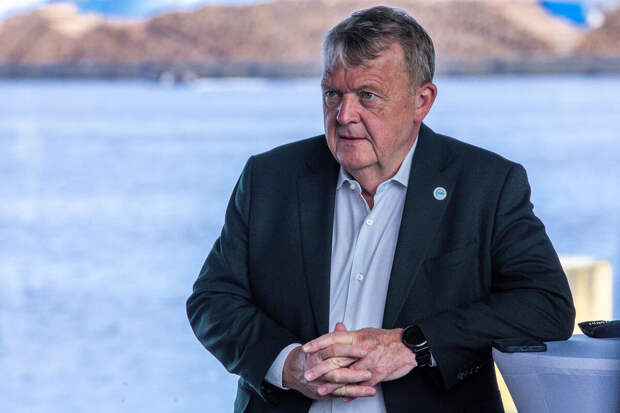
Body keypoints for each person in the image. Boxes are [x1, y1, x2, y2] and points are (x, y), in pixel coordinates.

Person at [187, 6, 575, 413]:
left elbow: (546, 305)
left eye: (367, 96)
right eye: (333, 94)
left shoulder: (486, 185)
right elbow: (213, 299)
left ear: (421, 101)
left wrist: (413, 344)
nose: (344, 116)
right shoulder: (269, 178)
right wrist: (286, 363)